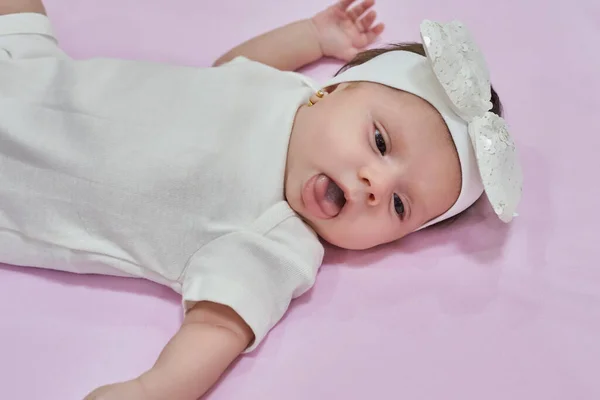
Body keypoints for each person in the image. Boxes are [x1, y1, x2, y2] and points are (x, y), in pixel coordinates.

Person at [0, 0, 522, 398]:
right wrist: (313, 35)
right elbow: (231, 65)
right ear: (328, 93)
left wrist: (155, 388)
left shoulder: (280, 238)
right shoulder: (283, 94)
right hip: (36, 70)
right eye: (381, 142)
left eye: (399, 207)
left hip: (25, 179)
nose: (375, 185)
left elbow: (218, 323)